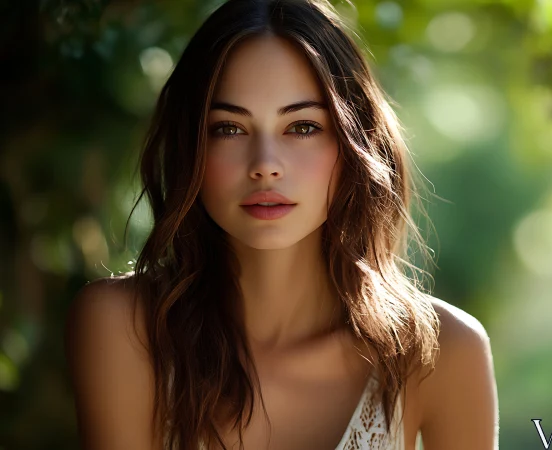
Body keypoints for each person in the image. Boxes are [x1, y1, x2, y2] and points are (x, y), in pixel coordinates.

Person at [65, 0, 498, 448]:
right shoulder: (123, 327)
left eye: (302, 127)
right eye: (229, 128)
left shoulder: (439, 350)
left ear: (355, 143)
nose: (265, 165)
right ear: (189, 146)